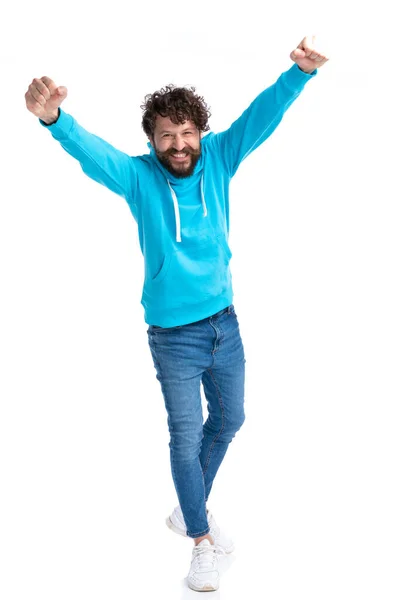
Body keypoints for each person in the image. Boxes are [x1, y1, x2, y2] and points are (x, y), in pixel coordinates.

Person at [25, 35, 329, 592]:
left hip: (225, 324)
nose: (179, 143)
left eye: (187, 132)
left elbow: (260, 118)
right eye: (167, 135)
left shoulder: (219, 158)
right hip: (173, 337)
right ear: (153, 141)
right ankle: (201, 541)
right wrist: (55, 120)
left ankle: (189, 508)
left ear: (201, 134)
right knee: (186, 436)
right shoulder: (139, 179)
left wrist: (299, 74)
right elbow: (95, 154)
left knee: (231, 420)